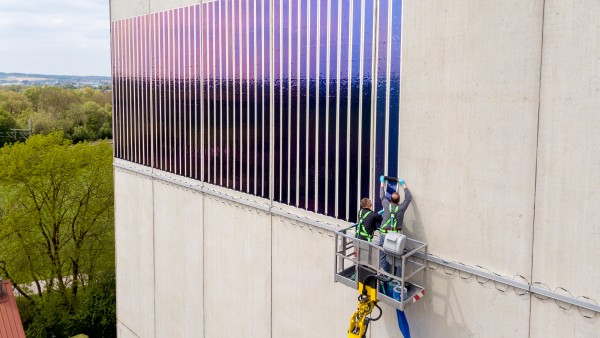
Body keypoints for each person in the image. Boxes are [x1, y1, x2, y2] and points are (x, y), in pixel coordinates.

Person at [379, 176, 412, 274]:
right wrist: (403, 185)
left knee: (384, 255)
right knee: (398, 257)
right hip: (396, 237)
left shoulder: (385, 204)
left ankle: (385, 275)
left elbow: (382, 196)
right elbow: (408, 198)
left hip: (384, 235)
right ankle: (397, 280)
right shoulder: (401, 208)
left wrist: (382, 183)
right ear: (399, 200)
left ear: (390, 199)